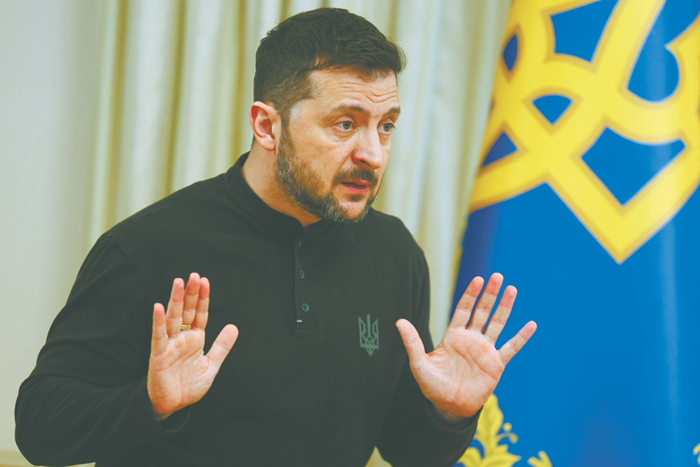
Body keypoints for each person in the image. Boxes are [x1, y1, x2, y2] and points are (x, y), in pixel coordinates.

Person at [15, 7, 536, 467]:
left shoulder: (395, 255)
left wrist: (450, 413)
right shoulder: (147, 246)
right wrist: (150, 403)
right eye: (345, 124)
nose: (373, 155)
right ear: (267, 126)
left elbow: (407, 450)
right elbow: (39, 429)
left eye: (386, 126)